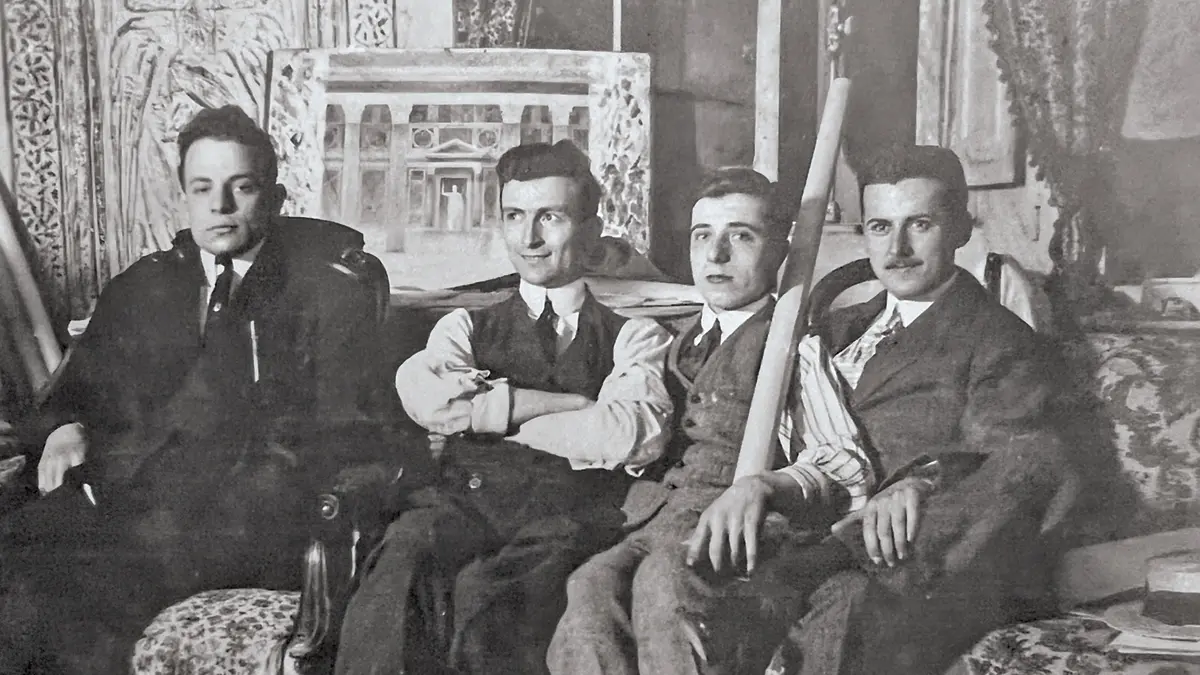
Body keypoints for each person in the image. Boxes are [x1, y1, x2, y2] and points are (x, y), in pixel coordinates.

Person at [0, 105, 390, 674]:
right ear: (183, 195)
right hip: (122, 500)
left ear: (275, 199)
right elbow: (75, 389)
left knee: (62, 591)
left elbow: (344, 430)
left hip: (248, 516)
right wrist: (64, 427)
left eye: (242, 187)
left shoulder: (329, 293)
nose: (220, 205)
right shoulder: (146, 285)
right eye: (202, 187)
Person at [335, 140, 675, 675]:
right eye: (515, 216)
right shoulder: (464, 326)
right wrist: (570, 404)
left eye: (551, 217)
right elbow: (437, 405)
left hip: (565, 519)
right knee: (399, 568)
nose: (530, 238)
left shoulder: (636, 336)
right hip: (462, 504)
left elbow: (629, 433)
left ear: (589, 229)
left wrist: (492, 417)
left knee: (489, 604)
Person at [546, 167, 874, 675]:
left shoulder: (791, 346)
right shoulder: (671, 339)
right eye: (704, 237)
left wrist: (768, 486)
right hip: (654, 519)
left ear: (779, 253)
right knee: (587, 586)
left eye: (740, 236)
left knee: (665, 583)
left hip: (743, 534)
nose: (716, 255)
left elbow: (846, 463)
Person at [772, 144, 1075, 675]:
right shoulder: (833, 331)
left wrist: (926, 481)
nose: (898, 249)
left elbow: (1022, 466)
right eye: (880, 227)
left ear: (960, 228)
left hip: (908, 567)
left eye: (921, 224)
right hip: (797, 535)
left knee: (845, 607)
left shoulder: (1000, 341)